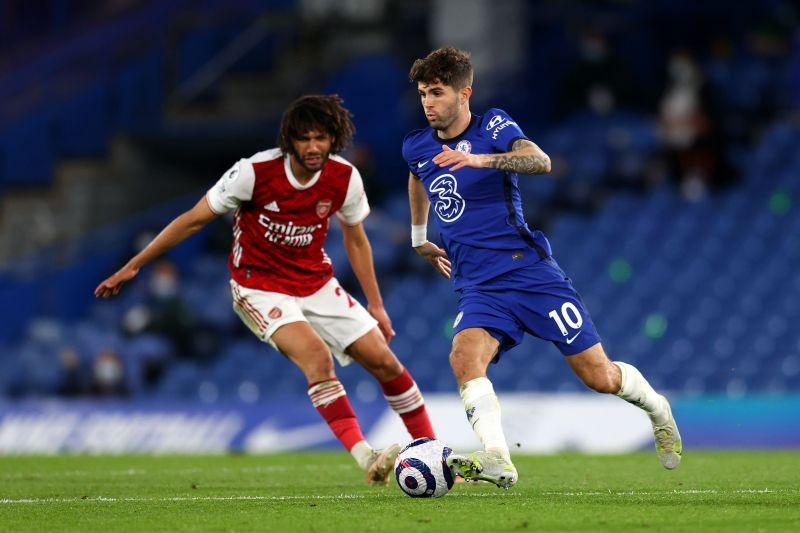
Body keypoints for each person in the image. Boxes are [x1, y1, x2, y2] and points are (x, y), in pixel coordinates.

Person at [96, 94, 436, 485]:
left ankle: (432, 454)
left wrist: (376, 305)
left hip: (315, 281)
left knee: (385, 361)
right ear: (289, 140)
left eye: (321, 138)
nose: (312, 146)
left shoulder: (344, 178)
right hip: (259, 286)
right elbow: (193, 220)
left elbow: (357, 241)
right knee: (316, 357)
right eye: (304, 138)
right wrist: (135, 265)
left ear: (334, 139)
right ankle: (367, 457)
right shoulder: (253, 172)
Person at [402, 47, 682, 489]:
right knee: (463, 356)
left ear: (464, 93)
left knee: (600, 376)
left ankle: (657, 408)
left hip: (528, 273)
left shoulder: (492, 125)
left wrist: (480, 160)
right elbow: (417, 176)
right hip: (478, 285)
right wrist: (419, 237)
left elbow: (541, 161)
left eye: (437, 93)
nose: (428, 103)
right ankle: (497, 458)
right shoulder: (416, 144)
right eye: (423, 94)